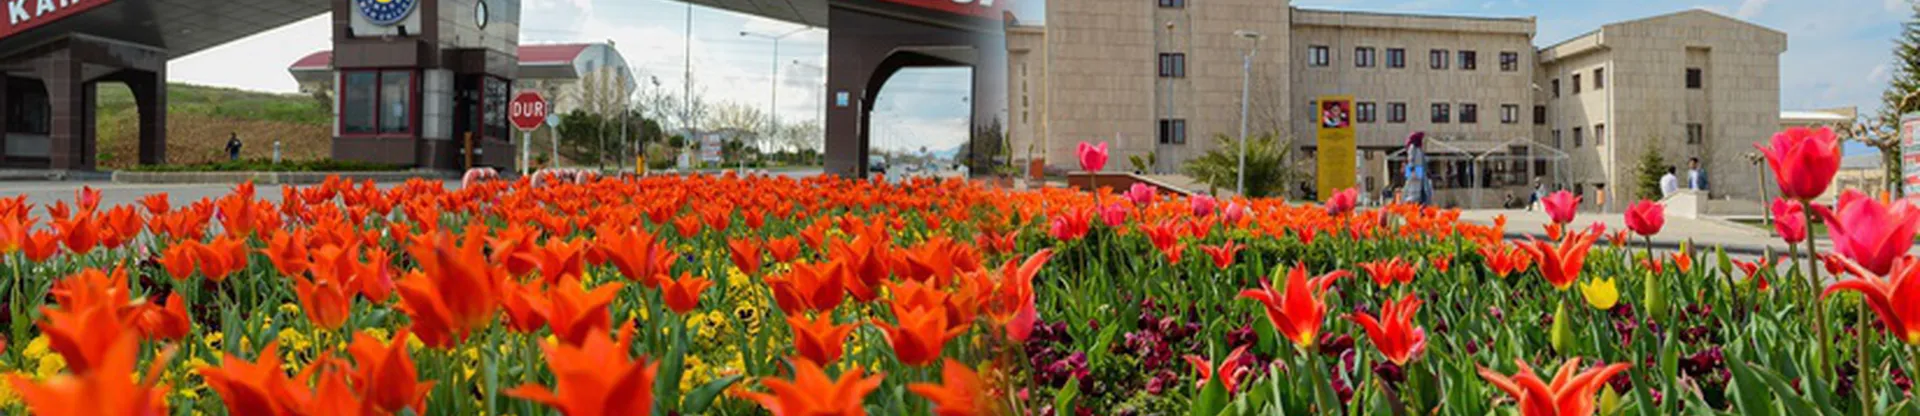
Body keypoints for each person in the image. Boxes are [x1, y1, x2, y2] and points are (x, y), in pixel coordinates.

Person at [1402, 132, 1432, 205]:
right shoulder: (1413, 147)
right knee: (1412, 187)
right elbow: (1411, 158)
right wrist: (1412, 168)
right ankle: (1411, 202)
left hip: (1419, 169)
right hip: (1414, 169)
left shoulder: (1419, 149)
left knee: (1422, 187)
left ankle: (1421, 202)